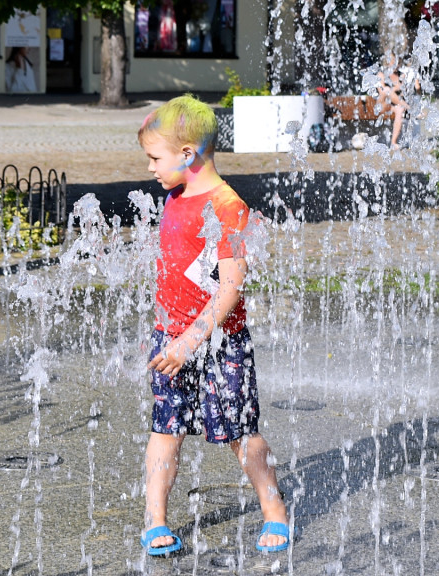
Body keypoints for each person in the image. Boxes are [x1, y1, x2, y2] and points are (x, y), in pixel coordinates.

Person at [137, 95, 290, 556]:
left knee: (240, 431)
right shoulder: (175, 195)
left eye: (154, 158)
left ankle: (274, 508)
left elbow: (229, 290)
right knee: (165, 427)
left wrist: (189, 340)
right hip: (171, 339)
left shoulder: (227, 206)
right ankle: (155, 520)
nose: (149, 168)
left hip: (220, 342)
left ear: (188, 155)